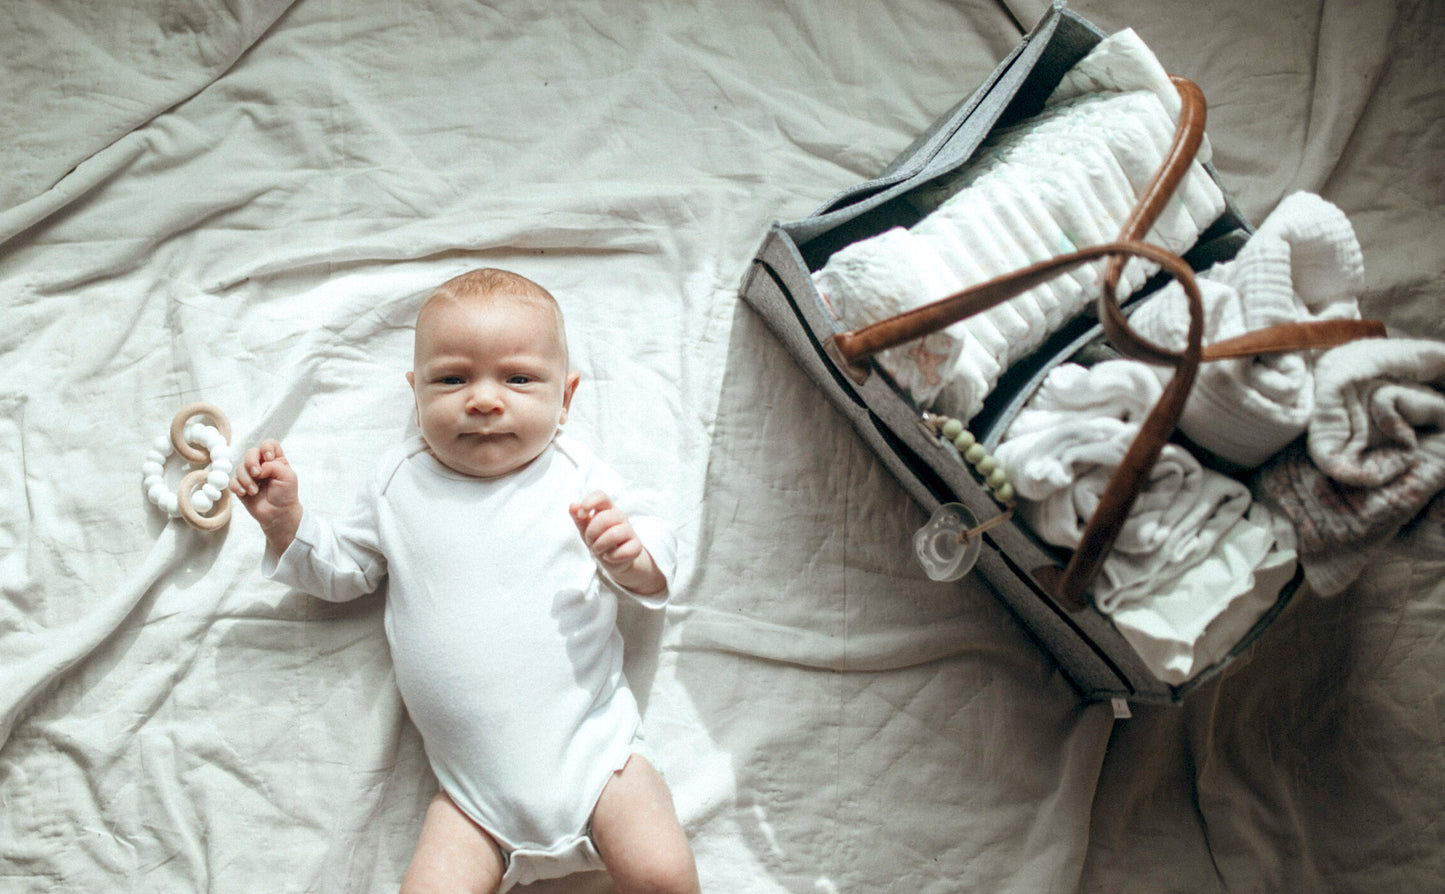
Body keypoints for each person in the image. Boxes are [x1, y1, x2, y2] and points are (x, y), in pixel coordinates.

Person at [230, 268, 701, 894]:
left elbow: (658, 550)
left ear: (566, 398)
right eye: (452, 379)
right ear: (415, 392)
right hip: (471, 801)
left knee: (663, 873)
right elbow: (345, 569)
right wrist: (288, 522)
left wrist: (630, 556)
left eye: (518, 379)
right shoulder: (398, 483)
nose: (483, 399)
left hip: (598, 760)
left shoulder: (577, 475)